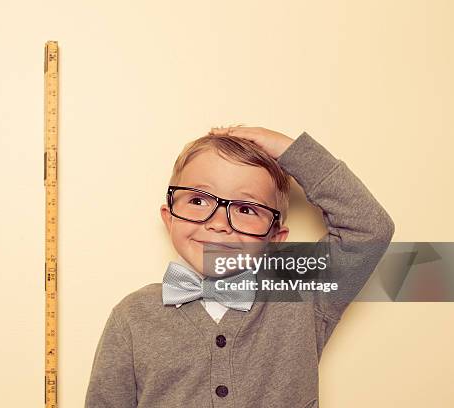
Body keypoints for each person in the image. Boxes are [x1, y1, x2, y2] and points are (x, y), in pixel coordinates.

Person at [85, 126, 395, 407]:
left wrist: (291, 151)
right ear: (169, 217)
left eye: (246, 209)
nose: (219, 224)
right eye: (198, 201)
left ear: (275, 238)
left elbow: (369, 229)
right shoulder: (131, 316)